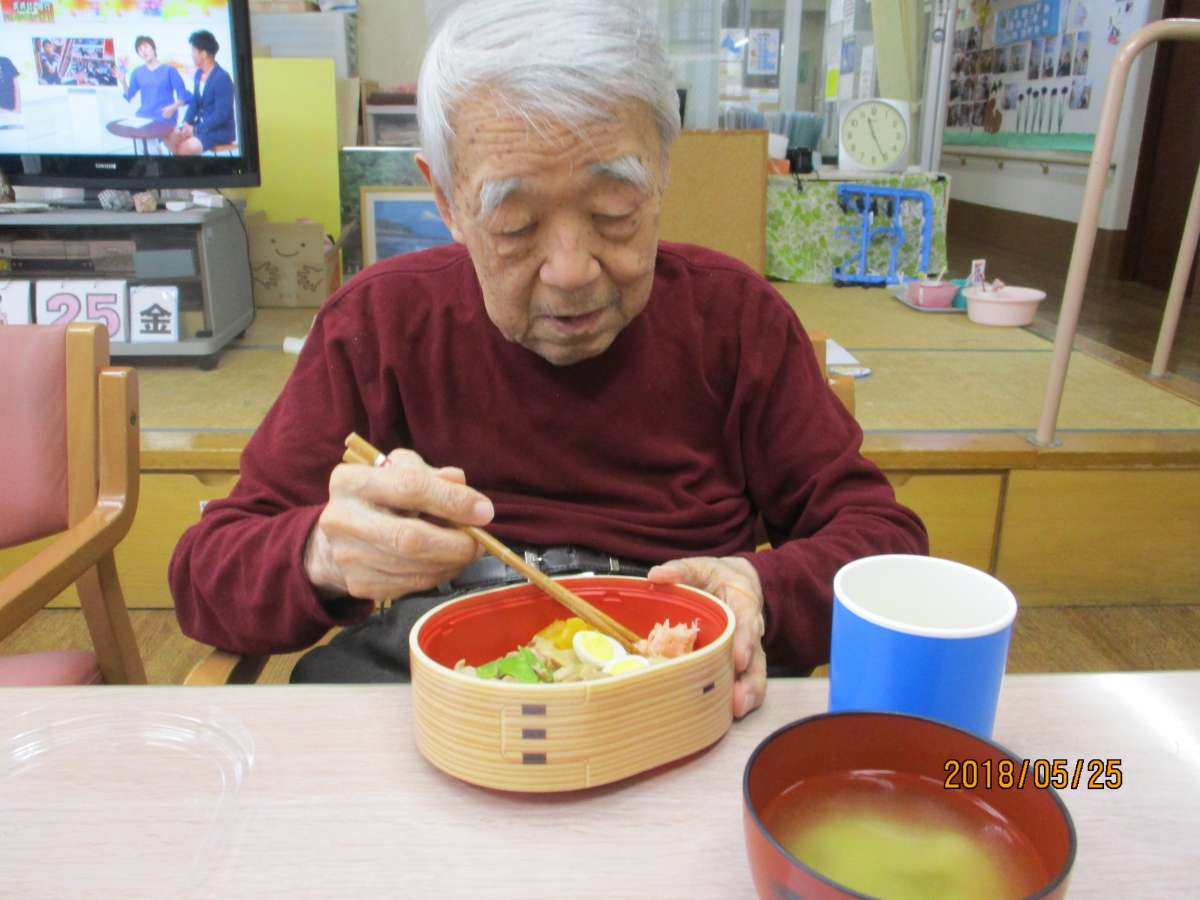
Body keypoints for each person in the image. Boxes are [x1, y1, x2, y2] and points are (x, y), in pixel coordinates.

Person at [169, 0, 927, 716]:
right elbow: (206, 574)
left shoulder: (734, 319)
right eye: (515, 224)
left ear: (663, 173)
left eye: (613, 213)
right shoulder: (379, 324)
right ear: (446, 200)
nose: (571, 270)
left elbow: (886, 544)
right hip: (440, 699)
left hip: (676, 689)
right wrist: (322, 554)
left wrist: (758, 586)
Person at [168, 29, 235, 155]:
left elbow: (222, 115)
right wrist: (186, 123)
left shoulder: (222, 78)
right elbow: (195, 102)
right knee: (170, 137)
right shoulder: (199, 74)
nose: (191, 55)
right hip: (200, 126)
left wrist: (195, 129)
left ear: (203, 54)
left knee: (183, 148)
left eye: (193, 51)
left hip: (219, 131)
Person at [118, 36, 191, 125]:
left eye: (146, 47)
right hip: (143, 117)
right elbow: (129, 95)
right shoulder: (137, 72)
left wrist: (173, 108)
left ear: (154, 48)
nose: (143, 52)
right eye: (140, 50)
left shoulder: (169, 70)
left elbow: (183, 95)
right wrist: (123, 82)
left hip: (164, 118)